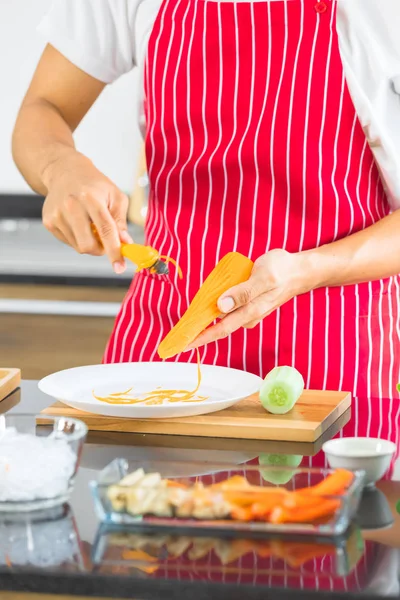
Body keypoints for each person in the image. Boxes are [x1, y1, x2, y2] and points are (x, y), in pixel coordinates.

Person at [12, 0, 400, 401]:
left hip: (333, 358)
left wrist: (310, 268)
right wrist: (60, 167)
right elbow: (44, 108)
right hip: (163, 346)